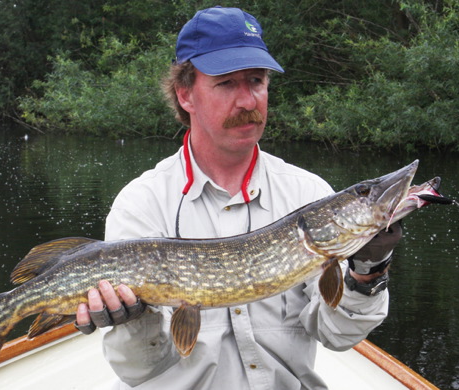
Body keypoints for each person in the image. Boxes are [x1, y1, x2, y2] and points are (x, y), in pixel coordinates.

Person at [74, 6, 402, 389]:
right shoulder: (142, 203)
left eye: (257, 81)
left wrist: (369, 272)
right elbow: (141, 371)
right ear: (186, 95)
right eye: (227, 84)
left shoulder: (307, 193)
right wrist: (133, 321)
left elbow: (337, 335)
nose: (248, 101)